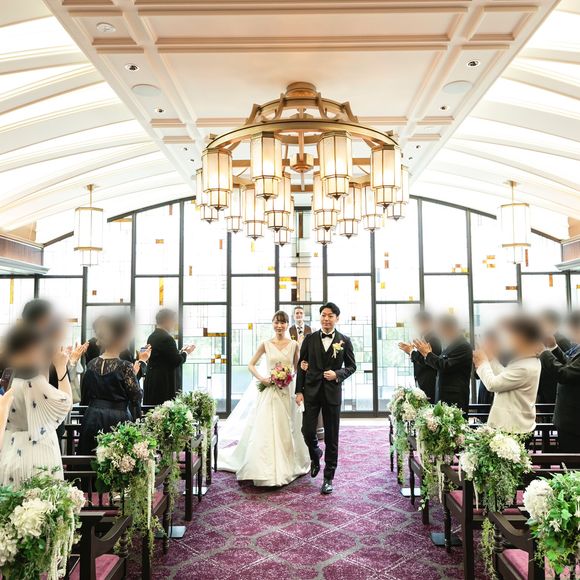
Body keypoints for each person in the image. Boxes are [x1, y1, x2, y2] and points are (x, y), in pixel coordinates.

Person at [219, 311, 310, 486]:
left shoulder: (293, 345)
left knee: (285, 427)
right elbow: (251, 364)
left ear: (287, 325)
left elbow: (297, 368)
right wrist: (262, 378)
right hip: (269, 391)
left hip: (287, 390)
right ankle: (263, 468)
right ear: (272, 323)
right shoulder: (266, 344)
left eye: (283, 323)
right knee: (266, 427)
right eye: (276, 322)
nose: (279, 326)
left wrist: (291, 375)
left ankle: (285, 464)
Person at [0, 324, 72, 487]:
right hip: (37, 453)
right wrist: (61, 367)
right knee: (41, 500)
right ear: (31, 349)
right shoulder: (33, 382)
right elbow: (66, 403)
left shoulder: (8, 376)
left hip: (9, 448)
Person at [296, 302, 356, 495]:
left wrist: (337, 374)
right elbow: (301, 365)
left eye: (330, 316)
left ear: (337, 318)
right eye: (323, 315)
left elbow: (352, 366)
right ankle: (315, 454)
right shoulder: (310, 338)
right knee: (307, 431)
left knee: (332, 437)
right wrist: (299, 391)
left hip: (332, 393)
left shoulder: (344, 341)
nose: (326, 319)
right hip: (311, 391)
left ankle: (328, 477)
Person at [78, 314, 142, 455]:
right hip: (117, 419)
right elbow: (136, 396)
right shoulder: (125, 366)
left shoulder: (91, 364)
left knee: (90, 459)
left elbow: (86, 392)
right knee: (114, 459)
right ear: (120, 339)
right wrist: (134, 375)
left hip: (92, 416)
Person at [473, 315, 541, 433]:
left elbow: (493, 385)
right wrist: (491, 358)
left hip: (512, 427)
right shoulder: (527, 360)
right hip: (512, 425)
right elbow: (504, 377)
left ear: (520, 337)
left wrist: (482, 362)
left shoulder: (525, 366)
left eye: (511, 335)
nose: (508, 340)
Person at [414, 314, 473, 414]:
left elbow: (444, 365)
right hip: (445, 395)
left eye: (440, 329)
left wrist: (427, 354)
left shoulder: (463, 346)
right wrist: (427, 354)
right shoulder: (451, 345)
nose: (439, 332)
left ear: (449, 328)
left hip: (454, 397)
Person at [539, 310, 580, 453]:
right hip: (569, 419)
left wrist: (543, 353)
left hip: (573, 421)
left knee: (572, 458)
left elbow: (564, 374)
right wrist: (553, 348)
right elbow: (569, 364)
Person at [143, 309, 195, 405]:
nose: (174, 324)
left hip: (154, 379)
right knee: (164, 409)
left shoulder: (152, 336)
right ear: (167, 321)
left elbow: (166, 357)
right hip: (164, 383)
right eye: (173, 320)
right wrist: (186, 352)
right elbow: (177, 361)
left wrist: (180, 352)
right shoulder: (166, 338)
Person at [398, 311, 441, 402]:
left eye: (417, 323)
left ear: (426, 322)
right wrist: (411, 351)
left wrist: (411, 351)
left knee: (428, 404)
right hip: (422, 378)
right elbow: (422, 357)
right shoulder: (425, 337)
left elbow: (427, 360)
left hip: (429, 379)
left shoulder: (433, 339)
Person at [537, 309, 573, 403]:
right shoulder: (542, 339)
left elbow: (566, 366)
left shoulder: (562, 340)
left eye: (541, 322)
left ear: (551, 323)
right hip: (544, 393)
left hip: (555, 394)